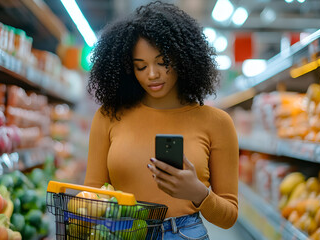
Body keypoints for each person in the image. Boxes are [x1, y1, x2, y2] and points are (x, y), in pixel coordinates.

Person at [85, 1, 239, 239]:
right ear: (128, 69)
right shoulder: (108, 117)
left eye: (162, 62)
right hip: (124, 231)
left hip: (185, 233)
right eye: (141, 66)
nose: (153, 74)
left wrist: (199, 193)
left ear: (183, 58)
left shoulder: (216, 122)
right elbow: (92, 195)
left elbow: (229, 217)